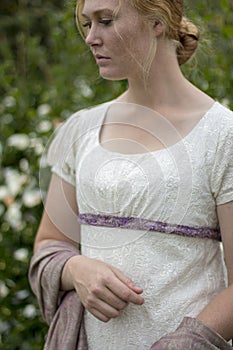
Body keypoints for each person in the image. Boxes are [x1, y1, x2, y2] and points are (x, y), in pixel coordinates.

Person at [29, 0, 233, 349]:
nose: (92, 37)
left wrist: (183, 343)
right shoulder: (82, 131)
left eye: (106, 21)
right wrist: (76, 269)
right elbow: (50, 244)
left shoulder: (222, 136)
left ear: (157, 22)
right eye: (87, 24)